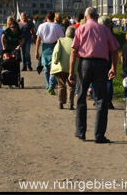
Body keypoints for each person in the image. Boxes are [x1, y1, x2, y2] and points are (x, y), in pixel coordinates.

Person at [69, 7, 119, 143]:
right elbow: (114, 50)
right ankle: (99, 135)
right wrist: (113, 67)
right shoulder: (105, 30)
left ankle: (81, 132)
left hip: (84, 64)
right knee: (101, 100)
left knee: (81, 97)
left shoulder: (80, 29)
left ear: (85, 18)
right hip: (101, 65)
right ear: (97, 17)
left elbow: (74, 52)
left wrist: (71, 72)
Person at [35, 11, 65, 95]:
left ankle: (48, 86)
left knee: (46, 68)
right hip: (55, 46)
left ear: (46, 17)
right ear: (54, 18)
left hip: (44, 47)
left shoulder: (41, 26)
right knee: (54, 67)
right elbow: (62, 39)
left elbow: (38, 39)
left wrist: (36, 51)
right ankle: (51, 84)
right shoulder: (57, 26)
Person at [50, 26, 78, 110]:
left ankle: (60, 103)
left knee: (61, 85)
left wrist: (55, 61)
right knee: (71, 86)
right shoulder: (76, 41)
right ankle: (70, 104)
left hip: (61, 66)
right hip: (72, 67)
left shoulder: (61, 40)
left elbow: (57, 52)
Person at [97, 16, 115, 110]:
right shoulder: (109, 33)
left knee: (99, 80)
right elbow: (114, 48)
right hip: (108, 57)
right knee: (109, 80)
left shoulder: (97, 33)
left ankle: (99, 99)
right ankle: (108, 100)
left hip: (99, 58)